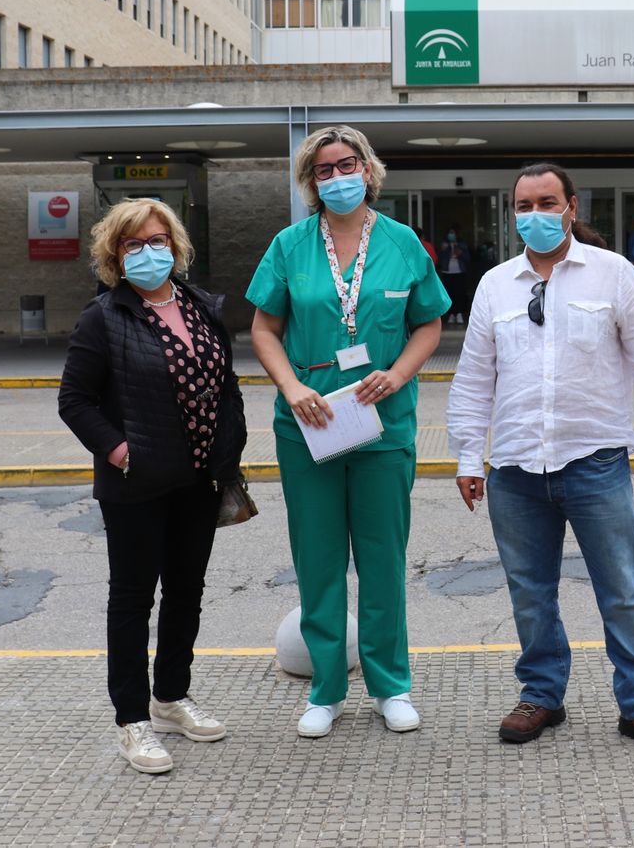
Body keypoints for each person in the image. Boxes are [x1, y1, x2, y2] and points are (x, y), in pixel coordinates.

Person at [448, 163, 634, 756]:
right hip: (515, 469)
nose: (535, 214)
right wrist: (467, 457)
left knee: (623, 589)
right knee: (530, 592)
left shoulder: (612, 274)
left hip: (595, 461)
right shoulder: (495, 286)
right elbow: (475, 377)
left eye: (546, 202)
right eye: (523, 205)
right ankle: (541, 695)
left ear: (572, 206)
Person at [247, 125, 449, 740]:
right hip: (310, 424)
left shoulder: (402, 242)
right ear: (311, 181)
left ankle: (391, 686)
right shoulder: (289, 244)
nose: (337, 177)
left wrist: (396, 374)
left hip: (381, 423)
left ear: (369, 169)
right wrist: (292, 388)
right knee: (319, 559)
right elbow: (262, 329)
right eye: (324, 169)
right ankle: (327, 688)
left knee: (383, 559)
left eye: (347, 164)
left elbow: (429, 325)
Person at [57, 197, 248, 776]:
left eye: (158, 240)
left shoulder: (199, 306)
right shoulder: (103, 317)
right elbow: (75, 401)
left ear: (176, 246)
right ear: (115, 253)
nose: (148, 252)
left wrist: (230, 445)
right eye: (134, 244)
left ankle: (170, 699)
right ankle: (132, 720)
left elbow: (227, 384)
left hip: (199, 479)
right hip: (135, 485)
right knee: (133, 599)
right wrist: (122, 453)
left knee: (186, 592)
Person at [437, 225, 472, 325]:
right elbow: (440, 258)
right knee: (449, 293)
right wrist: (445, 249)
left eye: (453, 233)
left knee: (459, 293)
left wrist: (460, 252)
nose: (451, 235)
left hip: (460, 272)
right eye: (450, 233)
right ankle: (451, 314)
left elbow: (467, 259)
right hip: (447, 272)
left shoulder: (462, 244)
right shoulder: (445, 245)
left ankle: (459, 313)